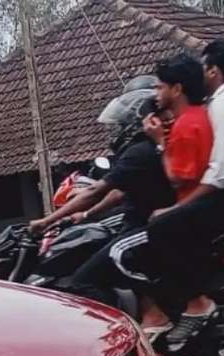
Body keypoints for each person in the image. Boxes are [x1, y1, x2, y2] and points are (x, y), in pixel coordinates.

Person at [29, 76, 175, 306]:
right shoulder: (150, 147)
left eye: (119, 125)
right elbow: (120, 191)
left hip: (145, 226)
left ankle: (129, 327)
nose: (115, 131)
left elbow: (95, 191)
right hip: (139, 223)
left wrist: (46, 221)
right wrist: (85, 215)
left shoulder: (139, 152)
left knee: (84, 280)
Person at [140, 52, 218, 344]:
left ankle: (192, 303)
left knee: (150, 235)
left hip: (193, 206)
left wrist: (160, 143)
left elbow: (176, 177)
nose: (156, 92)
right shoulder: (196, 118)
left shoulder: (187, 125)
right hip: (197, 204)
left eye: (160, 87)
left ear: (177, 89)